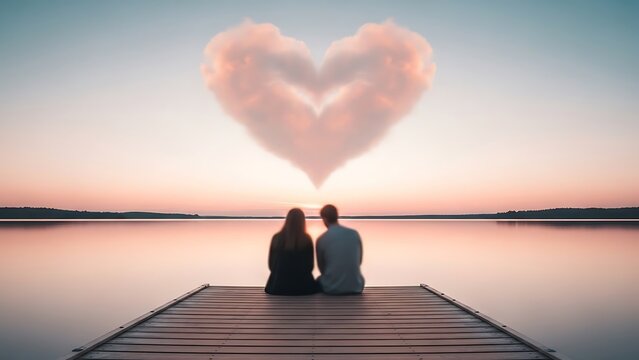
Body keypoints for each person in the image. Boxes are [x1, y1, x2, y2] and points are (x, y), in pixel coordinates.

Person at [265, 208, 318, 295]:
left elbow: (271, 265)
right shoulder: (306, 239)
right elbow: (310, 266)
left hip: (277, 287)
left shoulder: (276, 238)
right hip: (304, 288)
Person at [316, 204, 365, 295]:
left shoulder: (322, 238)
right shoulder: (354, 234)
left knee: (318, 280)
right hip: (356, 286)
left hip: (331, 289)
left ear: (324, 219)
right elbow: (359, 261)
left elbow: (322, 268)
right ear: (337, 216)